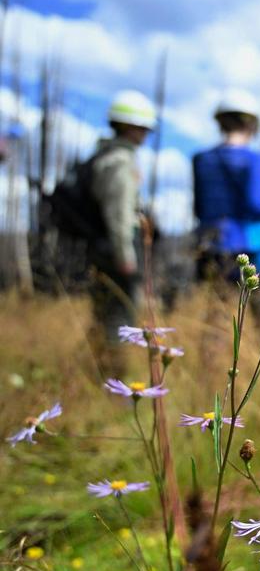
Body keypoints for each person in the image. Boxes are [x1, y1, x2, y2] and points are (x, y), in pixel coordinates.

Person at [192, 89, 260, 332]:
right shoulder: (253, 159)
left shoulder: (202, 159)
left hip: (212, 245)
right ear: (251, 124)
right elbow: (254, 205)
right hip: (251, 247)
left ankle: (211, 366)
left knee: (216, 318)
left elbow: (199, 208)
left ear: (221, 122)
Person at [89, 90, 156, 375]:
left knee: (109, 314)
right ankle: (114, 376)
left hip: (107, 248)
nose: (145, 134)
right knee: (120, 315)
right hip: (118, 251)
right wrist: (126, 256)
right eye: (142, 128)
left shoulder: (109, 156)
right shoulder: (119, 161)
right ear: (129, 126)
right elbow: (118, 214)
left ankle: (107, 370)